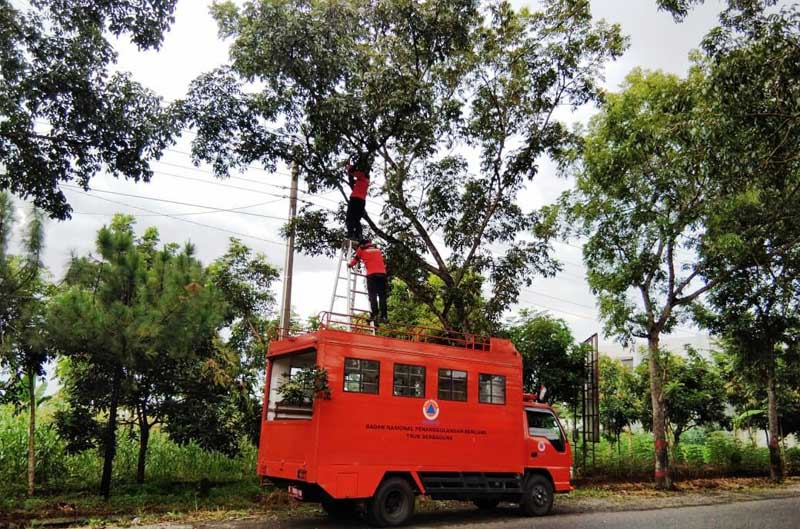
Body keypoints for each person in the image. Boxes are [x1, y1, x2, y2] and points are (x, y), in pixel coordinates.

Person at [348, 239, 388, 326]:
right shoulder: (377, 249)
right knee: (382, 296)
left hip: (372, 275)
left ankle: (374, 314)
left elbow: (355, 260)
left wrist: (349, 265)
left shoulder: (361, 249)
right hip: (382, 274)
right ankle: (384, 316)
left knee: (372, 295)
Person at [345, 160, 370, 241]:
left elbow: (351, 171)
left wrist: (350, 165)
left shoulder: (361, 175)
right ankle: (359, 235)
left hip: (355, 199)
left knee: (350, 217)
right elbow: (353, 180)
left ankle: (350, 234)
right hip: (362, 201)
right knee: (356, 219)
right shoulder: (365, 180)